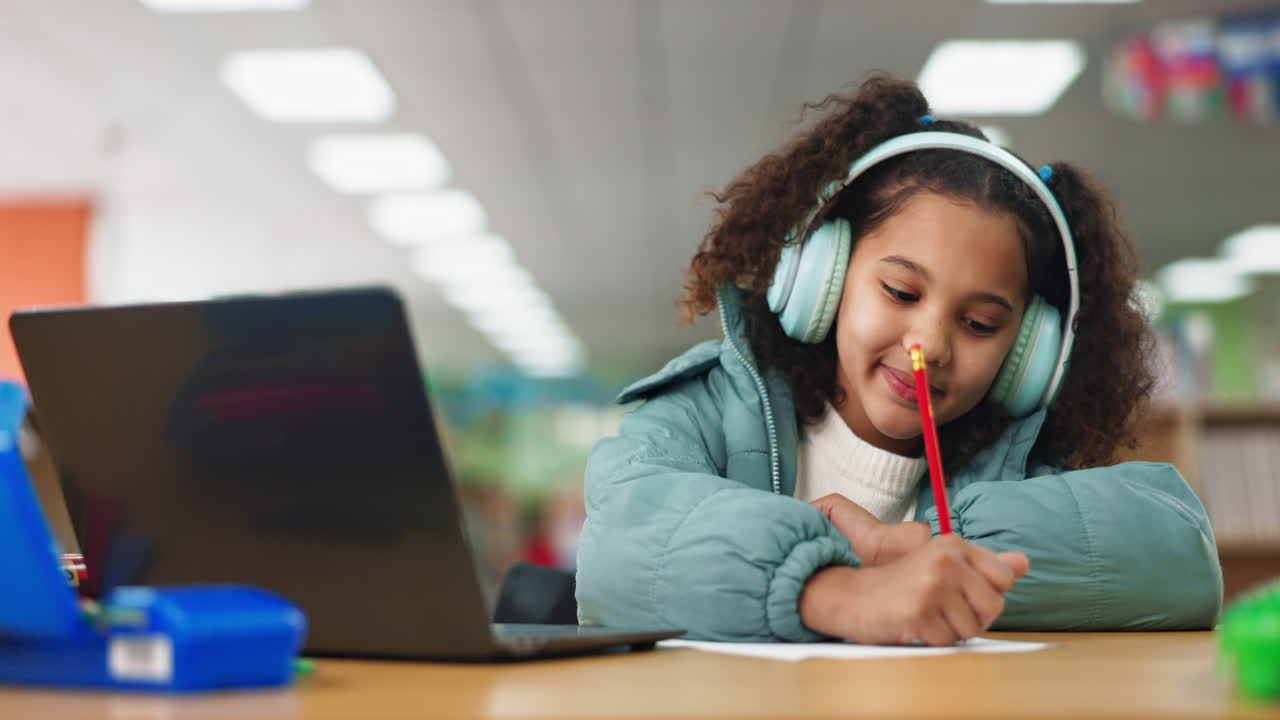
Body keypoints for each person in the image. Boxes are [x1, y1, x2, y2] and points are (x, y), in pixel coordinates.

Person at [575, 74, 1222, 645]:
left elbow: (1180, 556)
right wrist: (840, 592)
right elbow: (617, 549)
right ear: (820, 274)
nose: (931, 344)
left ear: (1029, 352)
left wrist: (937, 550)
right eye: (901, 292)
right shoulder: (705, 410)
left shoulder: (1013, 459)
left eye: (979, 323)